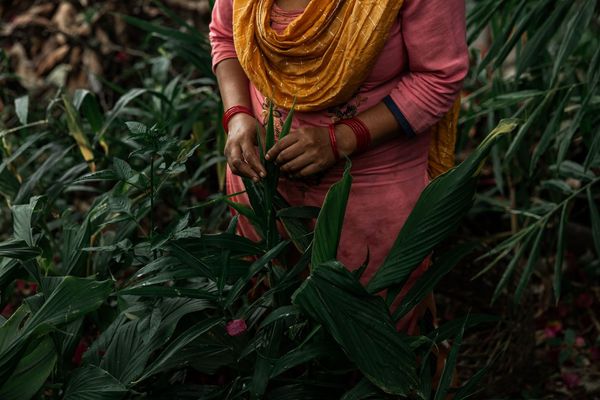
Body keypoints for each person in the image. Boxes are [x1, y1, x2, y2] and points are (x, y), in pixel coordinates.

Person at [209, 0, 469, 335]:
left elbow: (439, 77)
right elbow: (225, 36)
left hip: (367, 196)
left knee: (372, 337)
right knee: (270, 325)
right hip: (262, 184)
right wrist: (238, 115)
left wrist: (341, 139)